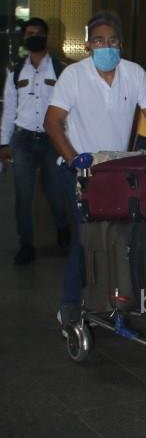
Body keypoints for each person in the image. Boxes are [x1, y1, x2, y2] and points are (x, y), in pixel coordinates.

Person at [44, 9, 146, 326]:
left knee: (119, 238)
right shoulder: (74, 76)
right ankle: (71, 305)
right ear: (88, 45)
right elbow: (52, 122)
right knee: (86, 238)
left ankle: (114, 297)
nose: (106, 47)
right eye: (99, 41)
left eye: (112, 41)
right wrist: (74, 160)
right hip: (81, 170)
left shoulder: (134, 73)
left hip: (117, 172)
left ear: (121, 45)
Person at [0, 17, 70, 264]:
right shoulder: (15, 70)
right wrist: (3, 143)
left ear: (46, 37)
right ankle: (26, 244)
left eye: (38, 33)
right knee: (23, 195)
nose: (34, 37)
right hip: (24, 139)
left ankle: (63, 229)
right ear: (24, 38)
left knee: (56, 190)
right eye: (30, 33)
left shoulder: (61, 69)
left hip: (53, 139)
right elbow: (9, 109)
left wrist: (70, 140)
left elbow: (70, 108)